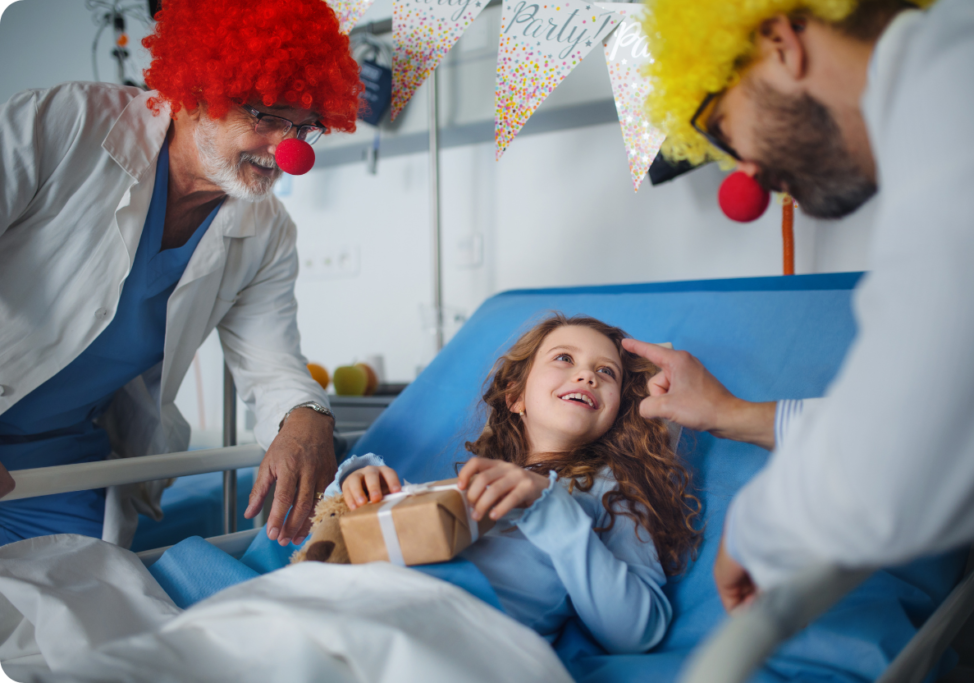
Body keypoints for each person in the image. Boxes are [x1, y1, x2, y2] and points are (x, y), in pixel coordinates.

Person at [623, 0, 974, 609]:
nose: (747, 175)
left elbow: (899, 462)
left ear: (779, 42)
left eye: (721, 130)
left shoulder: (961, 86)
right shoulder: (961, 67)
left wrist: (759, 528)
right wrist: (729, 412)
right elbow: (911, 400)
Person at [0, 0, 363, 547]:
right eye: (266, 117)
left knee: (72, 618)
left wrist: (307, 414)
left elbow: (271, 366)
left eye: (304, 127)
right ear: (196, 92)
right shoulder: (63, 125)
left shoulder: (267, 231)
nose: (288, 152)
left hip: (59, 465)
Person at [334, 314, 703, 653]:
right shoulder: (476, 480)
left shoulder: (612, 493)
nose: (588, 376)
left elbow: (638, 632)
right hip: (368, 603)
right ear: (515, 397)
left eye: (607, 372)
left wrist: (549, 505)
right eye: (564, 358)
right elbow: (358, 537)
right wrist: (362, 484)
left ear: (616, 412)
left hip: (454, 636)